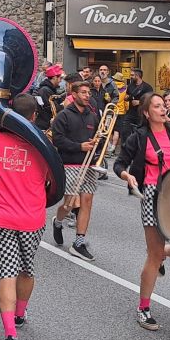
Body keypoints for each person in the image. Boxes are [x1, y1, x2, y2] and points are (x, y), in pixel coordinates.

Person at [0, 94, 51, 340]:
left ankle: (10, 334)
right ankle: (19, 314)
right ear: (34, 117)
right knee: (27, 269)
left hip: (1, 219)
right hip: (33, 218)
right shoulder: (44, 144)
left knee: (7, 274)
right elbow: (53, 181)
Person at [116, 92, 170, 331]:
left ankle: (162, 251)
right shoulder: (139, 137)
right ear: (146, 112)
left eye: (164, 105)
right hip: (152, 195)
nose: (163, 109)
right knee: (153, 256)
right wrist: (127, 175)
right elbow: (119, 163)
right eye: (157, 106)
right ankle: (143, 308)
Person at [50, 80, 100, 261]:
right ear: (74, 94)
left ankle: (79, 242)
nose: (87, 96)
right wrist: (79, 146)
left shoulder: (92, 116)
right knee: (70, 204)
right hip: (69, 163)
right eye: (84, 92)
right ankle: (58, 221)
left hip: (89, 165)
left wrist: (96, 143)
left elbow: (98, 137)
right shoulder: (63, 116)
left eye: (89, 93)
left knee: (87, 202)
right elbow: (58, 140)